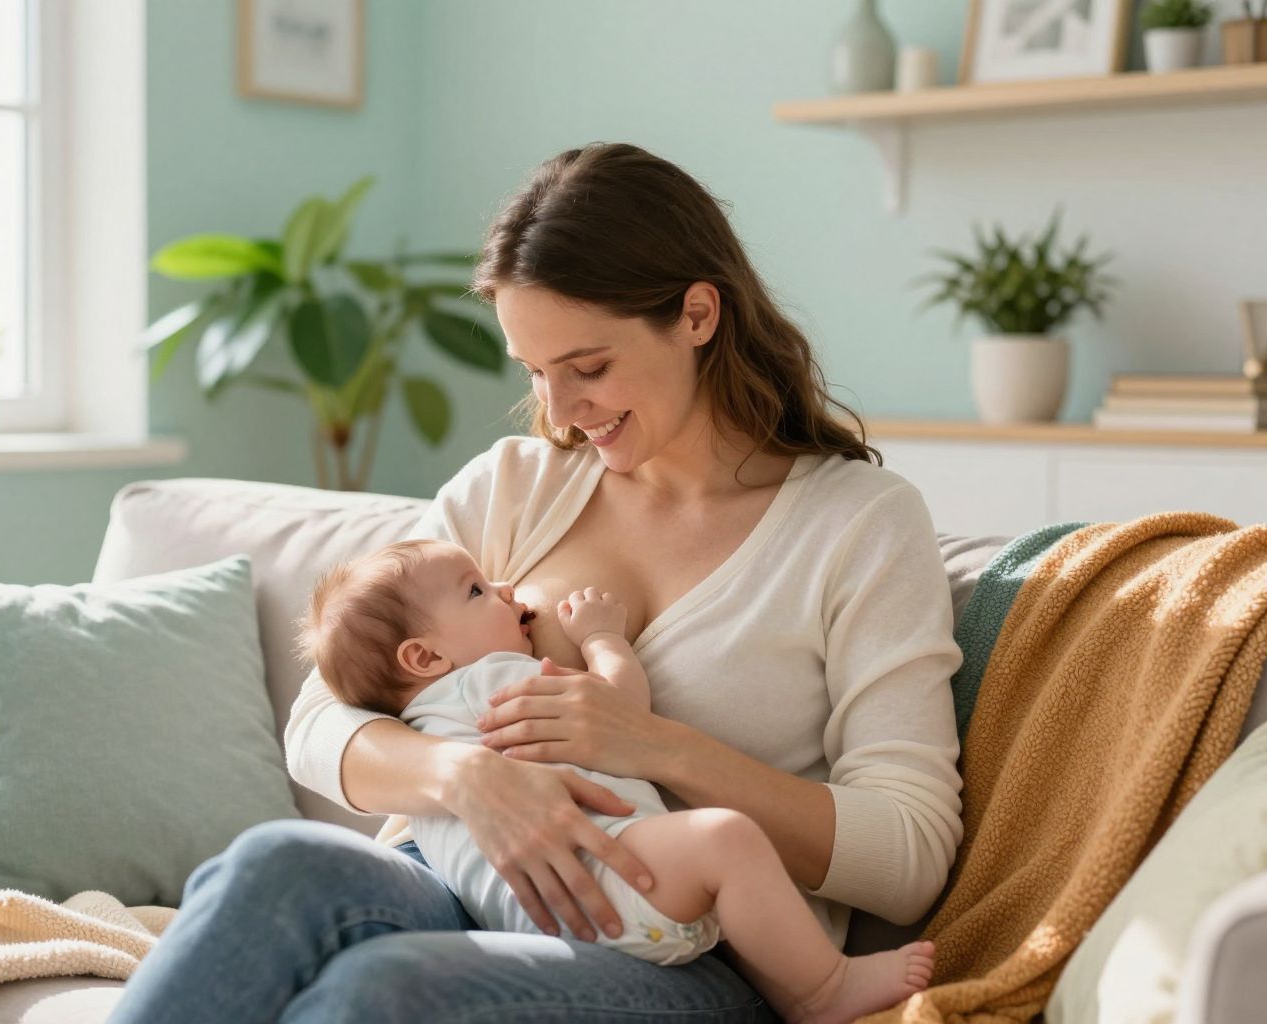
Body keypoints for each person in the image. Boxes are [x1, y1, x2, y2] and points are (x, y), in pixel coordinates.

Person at [109, 141, 965, 1023]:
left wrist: (653, 745)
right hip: (455, 876)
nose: (559, 411)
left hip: (685, 946)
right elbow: (320, 722)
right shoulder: (516, 485)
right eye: (534, 372)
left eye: (588, 368)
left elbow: (908, 854)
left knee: (385, 990)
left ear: (699, 315)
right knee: (273, 867)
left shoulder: (859, 524)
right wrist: (462, 779)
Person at [294, 536, 936, 1022]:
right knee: (726, 842)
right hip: (604, 883)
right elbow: (619, 708)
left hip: (523, 915)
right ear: (426, 656)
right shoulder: (488, 682)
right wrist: (602, 639)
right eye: (476, 591)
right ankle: (821, 990)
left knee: (294, 881)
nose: (506, 585)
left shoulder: (421, 717)